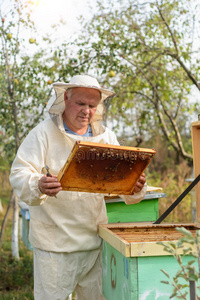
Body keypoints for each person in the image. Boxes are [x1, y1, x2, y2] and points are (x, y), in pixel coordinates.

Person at [9, 74, 147, 300]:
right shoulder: (43, 133)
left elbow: (122, 182)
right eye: (80, 103)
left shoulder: (106, 137)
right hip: (54, 247)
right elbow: (19, 172)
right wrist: (38, 184)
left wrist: (136, 184)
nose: (86, 111)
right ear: (65, 98)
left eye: (92, 105)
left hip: (94, 243)